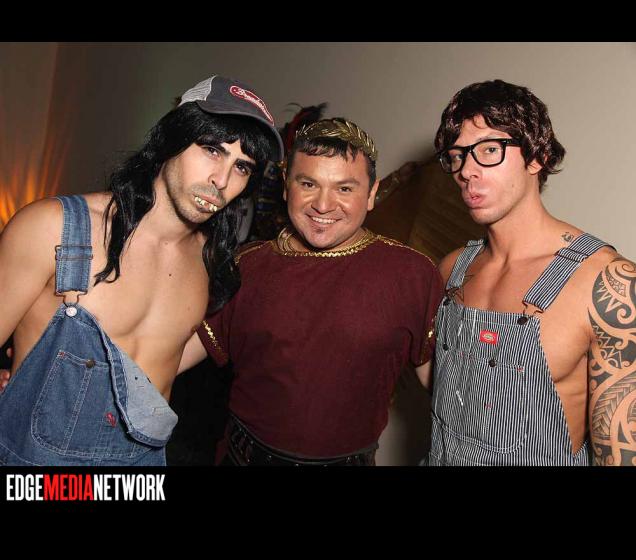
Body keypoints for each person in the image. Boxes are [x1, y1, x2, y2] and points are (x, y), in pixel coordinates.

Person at [0, 75, 283, 466]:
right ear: (171, 139)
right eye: (211, 150)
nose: (221, 181)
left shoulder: (211, 261)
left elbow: (169, 354)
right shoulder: (53, 227)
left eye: (242, 167)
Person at [178, 117, 444, 466]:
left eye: (344, 189)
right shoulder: (247, 265)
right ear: (286, 187)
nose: (323, 205)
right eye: (308, 184)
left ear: (371, 194)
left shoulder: (412, 274)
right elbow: (170, 355)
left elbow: (445, 392)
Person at [425, 79, 636, 466]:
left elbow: (622, 454)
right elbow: (450, 397)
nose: (466, 171)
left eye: (489, 150)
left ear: (536, 157)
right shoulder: (451, 269)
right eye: (456, 156)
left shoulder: (605, 283)